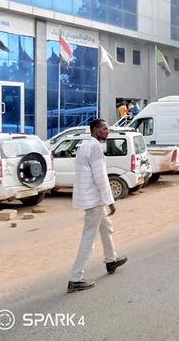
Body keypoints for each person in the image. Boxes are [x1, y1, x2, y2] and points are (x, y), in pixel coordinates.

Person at [68, 119, 127, 293]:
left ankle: (111, 260)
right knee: (89, 238)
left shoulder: (84, 145)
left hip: (91, 198)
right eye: (104, 129)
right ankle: (75, 278)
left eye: (107, 129)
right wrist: (110, 201)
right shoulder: (95, 148)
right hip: (93, 199)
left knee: (106, 227)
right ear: (95, 130)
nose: (107, 132)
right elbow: (100, 176)